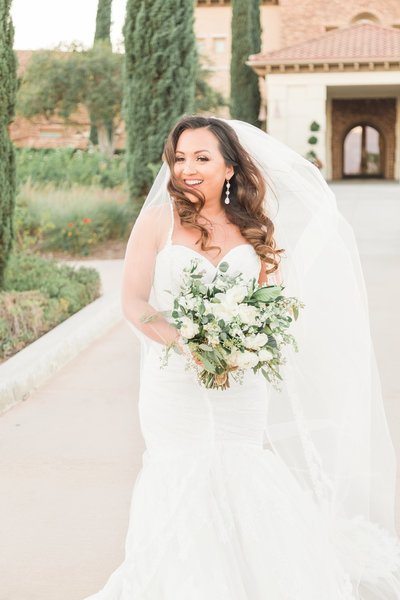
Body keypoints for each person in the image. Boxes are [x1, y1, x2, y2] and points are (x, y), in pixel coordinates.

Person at [84, 116, 400, 599]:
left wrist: (245, 344)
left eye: (202, 158)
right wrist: (185, 346)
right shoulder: (156, 223)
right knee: (181, 474)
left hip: (240, 382)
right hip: (175, 382)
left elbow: (270, 306)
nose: (187, 168)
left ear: (229, 168)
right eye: (180, 158)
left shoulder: (255, 230)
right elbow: (133, 301)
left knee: (242, 470)